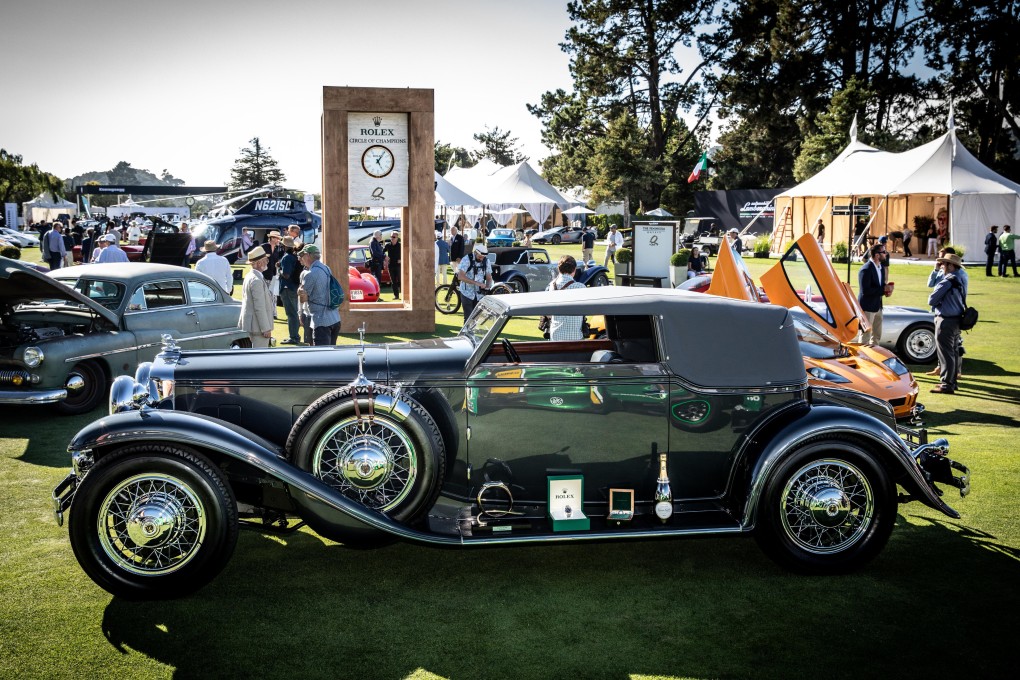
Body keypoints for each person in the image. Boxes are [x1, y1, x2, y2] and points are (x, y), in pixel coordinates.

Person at [927, 253, 967, 394]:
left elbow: (931, 300)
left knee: (946, 353)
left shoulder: (948, 280)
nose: (942, 266)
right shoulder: (960, 278)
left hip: (945, 319)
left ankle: (946, 384)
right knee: (954, 352)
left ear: (950, 265)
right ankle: (952, 382)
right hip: (956, 319)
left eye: (944, 264)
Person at [297, 244, 341, 346]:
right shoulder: (326, 268)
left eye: (302, 255)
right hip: (335, 318)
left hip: (321, 322)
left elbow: (303, 298)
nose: (301, 259)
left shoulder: (310, 274)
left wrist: (299, 291)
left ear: (308, 255)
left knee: (322, 357)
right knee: (331, 355)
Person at [238, 245, 275, 349]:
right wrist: (265, 328)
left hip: (254, 325)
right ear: (259, 263)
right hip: (258, 327)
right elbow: (259, 307)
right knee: (261, 358)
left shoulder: (251, 276)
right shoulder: (256, 280)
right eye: (266, 260)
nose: (267, 262)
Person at [546, 255, 586, 340]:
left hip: (555, 334)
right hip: (575, 335)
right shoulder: (581, 287)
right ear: (574, 270)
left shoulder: (551, 286)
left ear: (559, 269)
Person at [857, 243, 888, 345]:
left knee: (877, 335)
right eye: (884, 252)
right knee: (865, 336)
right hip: (867, 308)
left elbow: (880, 285)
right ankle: (862, 358)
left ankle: (873, 358)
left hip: (878, 306)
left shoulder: (881, 268)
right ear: (877, 255)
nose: (886, 254)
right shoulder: (865, 269)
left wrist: (887, 290)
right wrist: (883, 290)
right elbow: (866, 291)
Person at [456, 242, 494, 321]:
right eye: (480, 257)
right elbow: (460, 276)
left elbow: (489, 277)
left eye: (483, 257)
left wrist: (487, 287)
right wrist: (476, 283)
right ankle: (466, 333)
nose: (481, 259)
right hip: (466, 293)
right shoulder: (466, 259)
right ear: (475, 252)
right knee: (468, 317)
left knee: (476, 317)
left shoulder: (486, 261)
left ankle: (471, 333)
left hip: (479, 294)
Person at [277, 236, 302, 344]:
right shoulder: (293, 256)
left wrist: (279, 269)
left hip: (287, 288)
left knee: (291, 314)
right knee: (293, 313)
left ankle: (294, 337)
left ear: (285, 246)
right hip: (293, 287)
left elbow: (286, 275)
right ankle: (295, 336)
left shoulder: (287, 257)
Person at [383, 232, 402, 299]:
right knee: (393, 281)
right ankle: (396, 296)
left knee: (401, 281)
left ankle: (404, 295)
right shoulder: (388, 245)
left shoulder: (400, 246)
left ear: (397, 238)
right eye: (391, 237)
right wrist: (385, 257)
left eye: (394, 237)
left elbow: (406, 254)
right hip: (391, 265)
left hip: (399, 265)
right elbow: (382, 252)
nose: (392, 238)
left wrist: (401, 260)